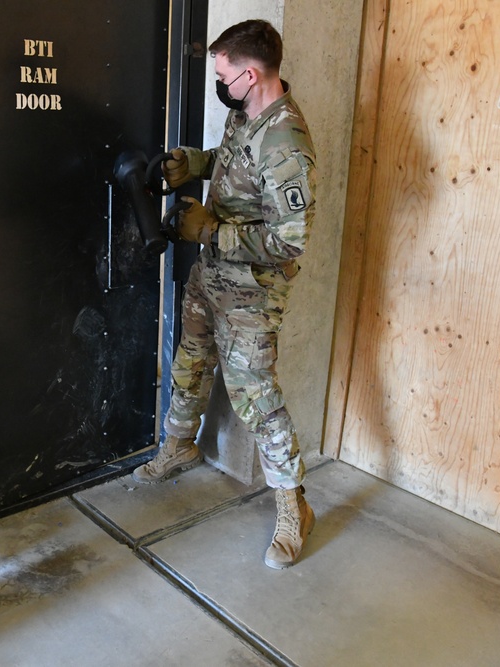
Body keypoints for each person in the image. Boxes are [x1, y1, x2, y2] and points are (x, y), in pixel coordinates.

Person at [132, 19, 317, 570]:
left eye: (222, 73)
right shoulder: (247, 112)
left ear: (251, 73)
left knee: (256, 398)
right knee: (189, 362)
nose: (219, 82)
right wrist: (196, 161)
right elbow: (233, 161)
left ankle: (294, 505)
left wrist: (208, 231)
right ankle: (178, 446)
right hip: (213, 275)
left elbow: (289, 243)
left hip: (252, 293)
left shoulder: (288, 146)